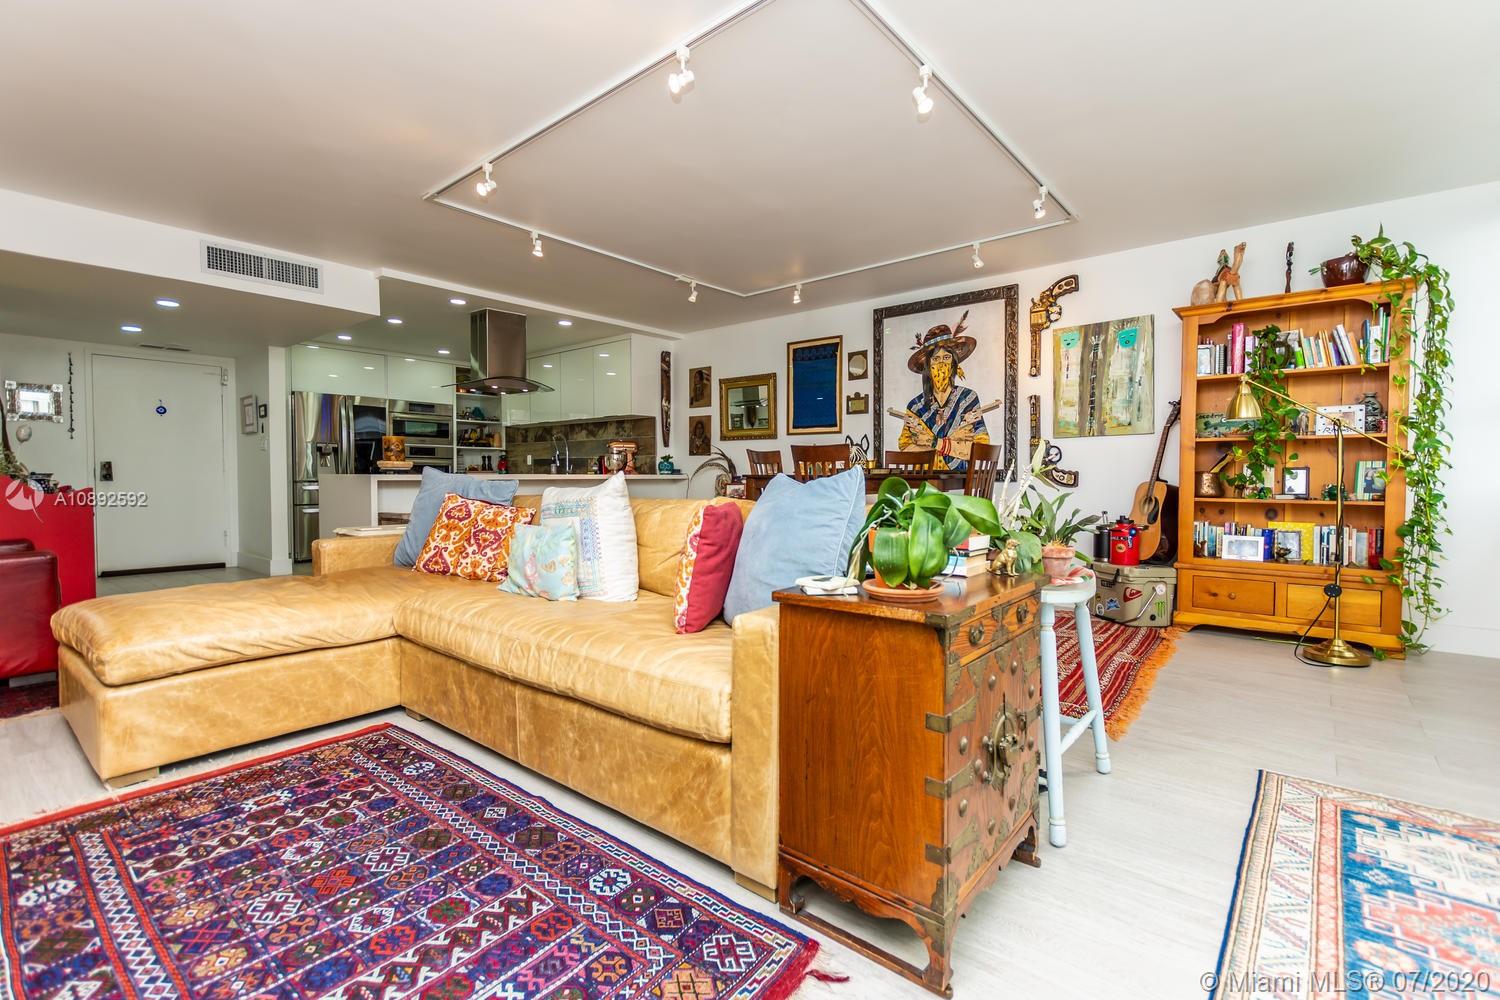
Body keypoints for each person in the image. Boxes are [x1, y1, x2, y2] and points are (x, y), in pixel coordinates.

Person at [898, 310, 989, 472]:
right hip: (924, 481)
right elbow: (905, 448)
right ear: (927, 366)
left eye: (946, 358)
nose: (941, 364)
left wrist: (932, 442)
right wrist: (954, 443)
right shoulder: (916, 406)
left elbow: (981, 446)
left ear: (954, 363)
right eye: (935, 359)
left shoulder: (968, 398)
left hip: (960, 482)